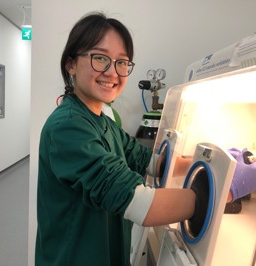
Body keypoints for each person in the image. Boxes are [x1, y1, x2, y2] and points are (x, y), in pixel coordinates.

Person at [35, 11, 256, 266]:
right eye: (99, 58)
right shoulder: (67, 127)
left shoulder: (101, 122)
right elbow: (142, 204)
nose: (112, 72)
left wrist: (216, 162)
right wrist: (225, 189)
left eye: (121, 62)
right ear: (71, 64)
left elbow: (149, 161)